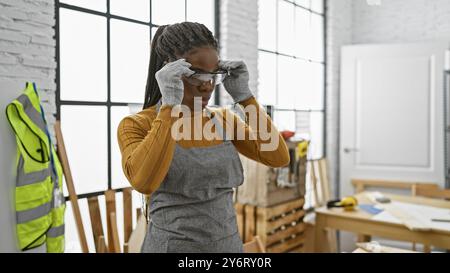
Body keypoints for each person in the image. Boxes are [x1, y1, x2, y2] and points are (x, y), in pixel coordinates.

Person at [117, 22, 290, 253]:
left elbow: (278, 156)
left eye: (213, 74)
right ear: (169, 72)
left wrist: (245, 97)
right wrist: (169, 106)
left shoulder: (223, 120)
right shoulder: (138, 125)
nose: (207, 86)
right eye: (196, 74)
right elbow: (144, 182)